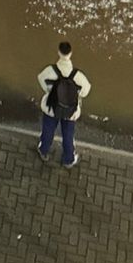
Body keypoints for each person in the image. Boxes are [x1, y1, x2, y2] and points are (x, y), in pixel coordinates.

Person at [36, 41, 90, 169]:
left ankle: (43, 151)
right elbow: (86, 91)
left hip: (51, 109)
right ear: (71, 54)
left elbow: (40, 79)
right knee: (68, 135)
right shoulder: (78, 76)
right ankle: (68, 160)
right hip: (70, 111)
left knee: (48, 131)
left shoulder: (50, 71)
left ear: (58, 52)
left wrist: (50, 92)